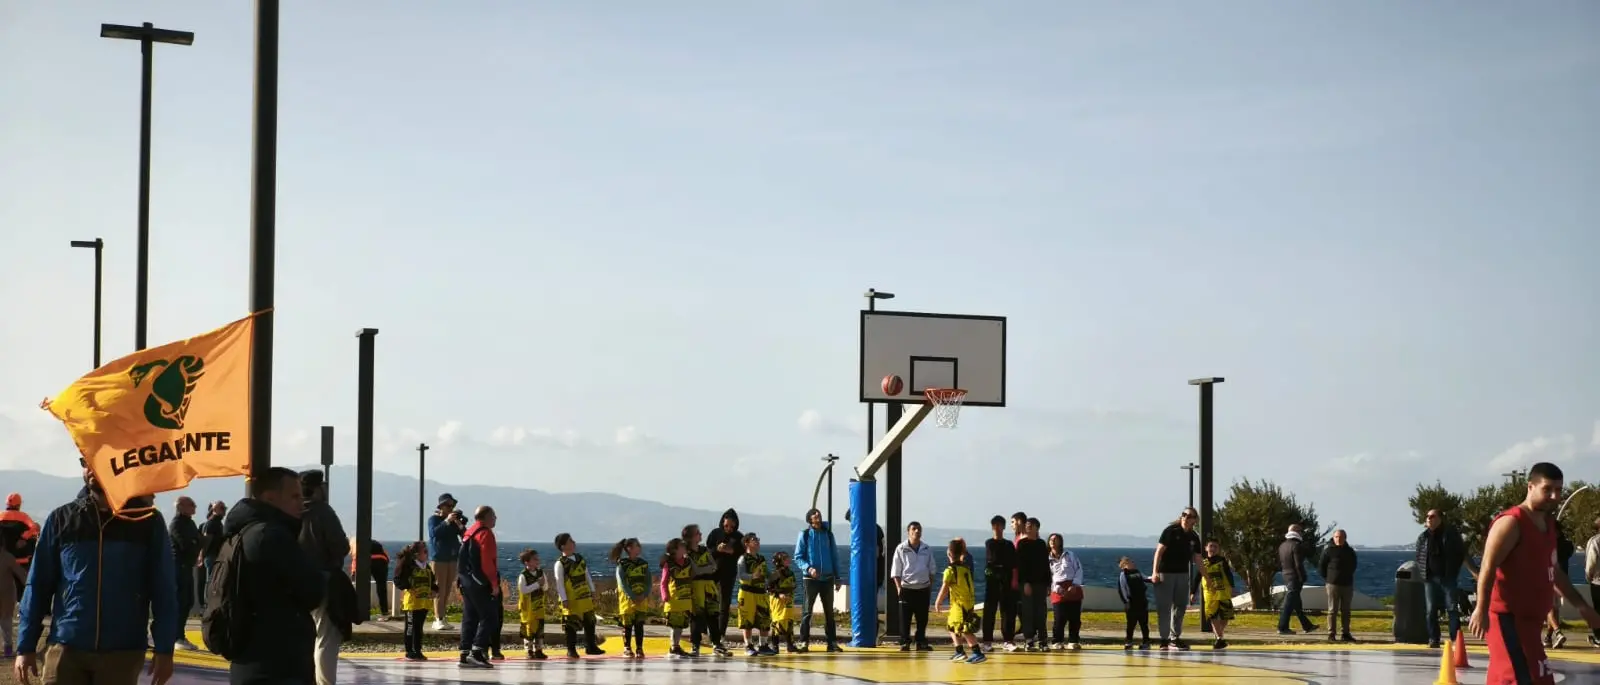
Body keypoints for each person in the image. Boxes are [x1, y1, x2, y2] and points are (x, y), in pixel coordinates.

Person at [12, 466, 177, 685]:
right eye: (85, 460)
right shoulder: (62, 518)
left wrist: (165, 648)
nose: (90, 468)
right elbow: (38, 585)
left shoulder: (146, 521)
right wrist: (25, 646)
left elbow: (163, 588)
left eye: (97, 460)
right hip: (66, 648)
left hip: (122, 653)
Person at [1469, 462, 1600, 685]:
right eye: (1547, 489)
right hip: (1506, 619)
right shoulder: (1511, 523)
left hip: (1531, 623)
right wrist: (1480, 609)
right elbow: (1488, 568)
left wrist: (1582, 607)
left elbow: (1555, 572)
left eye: (1558, 490)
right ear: (1530, 487)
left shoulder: (1548, 524)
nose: (1554, 495)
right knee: (1518, 677)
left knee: (1536, 678)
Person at [222, 467, 327, 685]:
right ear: (270, 498)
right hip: (278, 664)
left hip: (250, 659)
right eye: (294, 496)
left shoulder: (241, 534)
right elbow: (312, 590)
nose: (302, 503)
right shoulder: (272, 537)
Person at [297, 470, 350, 685]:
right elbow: (341, 545)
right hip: (324, 580)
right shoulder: (323, 512)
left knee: (303, 638)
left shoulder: (292, 511)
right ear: (319, 489)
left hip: (297, 579)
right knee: (326, 637)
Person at [1416, 508, 1478, 649]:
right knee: (1431, 610)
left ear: (1440, 519)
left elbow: (1460, 553)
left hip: (1447, 578)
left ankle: (1455, 639)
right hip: (1430, 579)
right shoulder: (1423, 537)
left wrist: (1464, 571)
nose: (1429, 519)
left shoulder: (1450, 535)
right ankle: (1434, 639)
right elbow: (1419, 555)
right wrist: (1423, 573)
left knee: (1452, 608)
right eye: (1427, 517)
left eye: (1432, 516)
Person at [1150, 507, 1203, 651]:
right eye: (1184, 515)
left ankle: (1175, 638)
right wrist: (1155, 572)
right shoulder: (1171, 531)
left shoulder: (1193, 536)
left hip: (1182, 574)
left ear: (1194, 520)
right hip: (1165, 574)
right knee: (1165, 608)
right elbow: (1159, 552)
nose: (1186, 517)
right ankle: (1164, 639)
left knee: (1180, 607)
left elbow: (1198, 558)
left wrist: (1207, 577)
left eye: (1190, 516)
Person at [793, 508, 844, 653]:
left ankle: (832, 643)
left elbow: (834, 555)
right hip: (810, 579)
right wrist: (809, 568)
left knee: (829, 612)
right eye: (814, 515)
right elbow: (798, 556)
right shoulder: (805, 535)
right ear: (810, 519)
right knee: (807, 611)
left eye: (819, 514)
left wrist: (838, 576)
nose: (818, 516)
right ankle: (803, 642)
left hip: (827, 578)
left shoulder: (828, 534)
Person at [456, 506, 501, 668]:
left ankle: (464, 653)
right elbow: (487, 561)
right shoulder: (485, 533)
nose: (496, 518)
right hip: (479, 582)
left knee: (470, 617)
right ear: (486, 517)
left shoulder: (469, 533)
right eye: (494, 516)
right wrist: (494, 584)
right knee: (490, 617)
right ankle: (477, 651)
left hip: (466, 581)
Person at [552, 532, 604, 658]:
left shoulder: (580, 558)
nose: (573, 542)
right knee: (571, 624)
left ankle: (591, 646)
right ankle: (571, 649)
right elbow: (559, 583)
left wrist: (592, 590)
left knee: (590, 621)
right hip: (571, 598)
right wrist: (564, 599)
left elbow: (587, 575)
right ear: (563, 546)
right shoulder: (560, 563)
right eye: (570, 541)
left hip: (584, 596)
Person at [935, 538, 985, 664]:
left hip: (960, 604)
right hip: (965, 602)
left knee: (964, 628)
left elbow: (944, 589)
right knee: (952, 626)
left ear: (949, 553)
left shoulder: (950, 571)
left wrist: (938, 602)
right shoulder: (965, 568)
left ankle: (977, 652)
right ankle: (959, 651)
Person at [684, 524, 730, 657]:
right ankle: (695, 645)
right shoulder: (687, 553)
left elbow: (713, 566)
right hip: (696, 586)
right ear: (691, 537)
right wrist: (704, 568)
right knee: (697, 617)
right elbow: (694, 570)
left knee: (713, 615)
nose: (700, 535)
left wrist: (702, 568)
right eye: (697, 533)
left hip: (709, 585)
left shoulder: (704, 550)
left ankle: (716, 644)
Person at [890, 521, 935, 651]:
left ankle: (921, 641)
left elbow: (931, 569)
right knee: (905, 618)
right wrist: (899, 588)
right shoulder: (901, 548)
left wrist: (929, 587)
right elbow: (896, 571)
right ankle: (905, 642)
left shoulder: (926, 548)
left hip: (923, 589)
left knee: (922, 619)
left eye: (919, 529)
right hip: (907, 589)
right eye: (914, 529)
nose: (917, 531)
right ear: (908, 532)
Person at [392, 542, 436, 661]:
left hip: (424, 602)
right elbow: (397, 579)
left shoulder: (426, 566)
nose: (427, 554)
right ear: (417, 554)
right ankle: (409, 651)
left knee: (419, 628)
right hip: (412, 603)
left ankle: (418, 650)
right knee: (411, 627)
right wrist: (409, 587)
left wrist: (434, 590)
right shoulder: (409, 566)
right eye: (425, 551)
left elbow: (432, 581)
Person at [169, 496, 202, 650]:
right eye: (191, 504)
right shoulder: (176, 524)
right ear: (181, 507)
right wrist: (194, 544)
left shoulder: (190, 523)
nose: (194, 507)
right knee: (180, 601)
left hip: (188, 565)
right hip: (179, 566)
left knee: (188, 601)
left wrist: (195, 544)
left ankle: (180, 634)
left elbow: (198, 541)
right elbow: (185, 544)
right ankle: (176, 636)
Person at [426, 494, 463, 630]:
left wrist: (459, 524)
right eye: (448, 505)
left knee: (447, 589)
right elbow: (434, 533)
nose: (451, 508)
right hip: (439, 558)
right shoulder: (434, 520)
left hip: (452, 558)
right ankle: (437, 618)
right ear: (441, 506)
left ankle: (443, 616)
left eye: (452, 506)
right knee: (439, 589)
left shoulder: (453, 523)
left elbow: (464, 535)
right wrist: (446, 521)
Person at [705, 509, 742, 643]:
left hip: (729, 573)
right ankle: (705, 632)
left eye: (732, 527)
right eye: (726, 526)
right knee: (708, 602)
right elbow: (707, 550)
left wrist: (732, 551)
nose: (729, 529)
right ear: (722, 523)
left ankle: (721, 634)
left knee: (724, 605)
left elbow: (742, 552)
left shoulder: (738, 537)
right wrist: (717, 549)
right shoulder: (715, 533)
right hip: (712, 572)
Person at [981, 515, 1016, 651]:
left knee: (1007, 611)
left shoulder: (1009, 545)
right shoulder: (989, 543)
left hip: (1006, 580)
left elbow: (1013, 564)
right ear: (992, 527)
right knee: (989, 611)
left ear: (1003, 527)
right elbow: (991, 560)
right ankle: (987, 641)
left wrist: (1012, 579)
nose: (998, 528)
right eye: (995, 525)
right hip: (992, 581)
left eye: (1000, 525)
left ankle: (1008, 640)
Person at [736, 533, 775, 656]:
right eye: (754, 540)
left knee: (764, 619)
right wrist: (752, 576)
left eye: (758, 539)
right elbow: (740, 575)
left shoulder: (761, 559)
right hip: (747, 593)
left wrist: (774, 577)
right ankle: (748, 645)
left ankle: (763, 645)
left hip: (761, 593)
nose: (757, 541)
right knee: (747, 620)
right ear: (746, 543)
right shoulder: (743, 559)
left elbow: (767, 574)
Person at [610, 538, 649, 658]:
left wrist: (645, 594)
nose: (639, 548)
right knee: (627, 625)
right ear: (629, 549)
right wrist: (631, 595)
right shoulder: (622, 565)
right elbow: (622, 583)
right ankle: (627, 648)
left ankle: (639, 648)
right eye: (637, 546)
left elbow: (648, 580)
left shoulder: (643, 564)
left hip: (641, 599)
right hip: (627, 600)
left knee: (639, 625)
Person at [1276, 524, 1318, 635]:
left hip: (1286, 575)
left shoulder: (1282, 545)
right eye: (1300, 531)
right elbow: (1298, 564)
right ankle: (1282, 627)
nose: (1302, 533)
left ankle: (1307, 625)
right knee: (1289, 603)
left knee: (1296, 603)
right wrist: (1302, 577)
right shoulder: (1296, 545)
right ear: (1296, 532)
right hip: (1294, 577)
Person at [1319, 528, 1357, 643]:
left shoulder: (1350, 551)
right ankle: (1331, 634)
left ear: (1345, 538)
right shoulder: (1328, 551)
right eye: (1336, 537)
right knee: (1332, 610)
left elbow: (1354, 566)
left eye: (1341, 537)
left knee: (1346, 610)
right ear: (1333, 538)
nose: (1338, 539)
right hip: (1333, 585)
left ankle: (1345, 633)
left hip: (1347, 584)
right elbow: (1321, 567)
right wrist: (1329, 579)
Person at [0, 494, 39, 605]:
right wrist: (24, 537)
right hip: (20, 561)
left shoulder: (1, 515)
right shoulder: (24, 517)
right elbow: (34, 529)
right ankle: (23, 612)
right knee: (23, 588)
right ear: (19, 504)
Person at [1544, 522, 1577, 649]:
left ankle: (1558, 633)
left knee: (1548, 608)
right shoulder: (1567, 545)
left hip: (1550, 579)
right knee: (1554, 608)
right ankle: (1548, 636)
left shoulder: (1550, 545)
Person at [1047, 533, 1084, 651]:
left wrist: (1074, 585)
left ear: (1060, 542)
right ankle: (1057, 640)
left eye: (1055, 539)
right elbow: (1048, 576)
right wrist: (1057, 588)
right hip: (1057, 589)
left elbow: (1079, 569)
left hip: (1073, 587)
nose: (1053, 541)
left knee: (1075, 618)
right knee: (1059, 618)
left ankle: (1073, 640)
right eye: (1051, 539)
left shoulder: (1070, 555)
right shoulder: (1047, 559)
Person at [660, 539, 694, 658]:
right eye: (682, 546)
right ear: (675, 550)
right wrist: (665, 595)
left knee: (681, 625)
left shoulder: (688, 562)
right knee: (675, 624)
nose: (684, 548)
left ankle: (676, 645)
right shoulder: (668, 564)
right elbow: (663, 582)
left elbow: (692, 577)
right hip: (674, 599)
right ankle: (674, 646)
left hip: (686, 599)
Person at [516, 549, 549, 660]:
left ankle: (539, 650)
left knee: (539, 629)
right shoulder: (523, 575)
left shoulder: (541, 572)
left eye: (537, 559)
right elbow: (523, 590)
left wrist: (543, 584)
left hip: (539, 606)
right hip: (527, 608)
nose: (537, 561)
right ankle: (529, 650)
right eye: (534, 559)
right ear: (527, 562)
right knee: (528, 629)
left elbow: (546, 587)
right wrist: (537, 584)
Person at [196, 501, 227, 613]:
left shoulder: (218, 523)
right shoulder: (212, 523)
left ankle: (209, 603)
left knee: (213, 580)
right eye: (222, 508)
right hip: (211, 556)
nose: (224, 511)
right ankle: (208, 603)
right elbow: (206, 541)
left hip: (215, 556)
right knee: (210, 580)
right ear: (214, 510)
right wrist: (201, 555)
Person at [767, 551, 799, 654]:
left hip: (788, 600)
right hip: (778, 602)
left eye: (788, 558)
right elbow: (768, 589)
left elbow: (794, 584)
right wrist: (779, 594)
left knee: (789, 622)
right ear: (779, 562)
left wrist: (791, 591)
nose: (788, 560)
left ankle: (790, 645)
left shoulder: (790, 573)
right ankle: (775, 646)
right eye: (785, 559)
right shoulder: (775, 574)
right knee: (777, 623)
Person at [1116, 556, 1150, 650]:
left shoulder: (1137, 572)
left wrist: (1155, 578)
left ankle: (1146, 642)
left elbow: (1146, 578)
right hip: (1131, 603)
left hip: (1142, 602)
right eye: (1130, 562)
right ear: (1125, 564)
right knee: (1131, 624)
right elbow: (1122, 589)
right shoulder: (1123, 574)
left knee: (1144, 624)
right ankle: (1129, 641)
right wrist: (1126, 602)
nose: (1133, 563)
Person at [1, 539, 26, 659]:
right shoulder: (8, 557)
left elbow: (21, 574)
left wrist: (29, 585)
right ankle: (7, 649)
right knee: (6, 623)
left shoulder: (7, 557)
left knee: (6, 623)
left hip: (6, 596)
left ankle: (8, 649)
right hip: (6, 595)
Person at [1585, 517, 1600, 648]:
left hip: (1598, 582)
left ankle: (1598, 637)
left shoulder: (1595, 541)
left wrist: (1588, 576)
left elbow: (1592, 561)